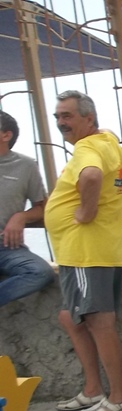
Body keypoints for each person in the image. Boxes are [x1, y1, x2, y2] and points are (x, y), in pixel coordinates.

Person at [44, 90, 122, 411]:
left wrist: (85, 211)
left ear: (89, 118)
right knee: (70, 316)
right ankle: (93, 389)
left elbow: (92, 175)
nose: (60, 122)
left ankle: (119, 396)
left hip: (86, 252)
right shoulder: (107, 141)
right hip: (95, 251)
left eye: (67, 116)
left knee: (98, 321)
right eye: (57, 116)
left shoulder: (87, 148)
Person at [0, 111, 53, 307]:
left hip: (6, 247)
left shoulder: (26, 165)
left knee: (40, 272)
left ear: (6, 135)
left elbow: (42, 207)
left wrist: (21, 217)